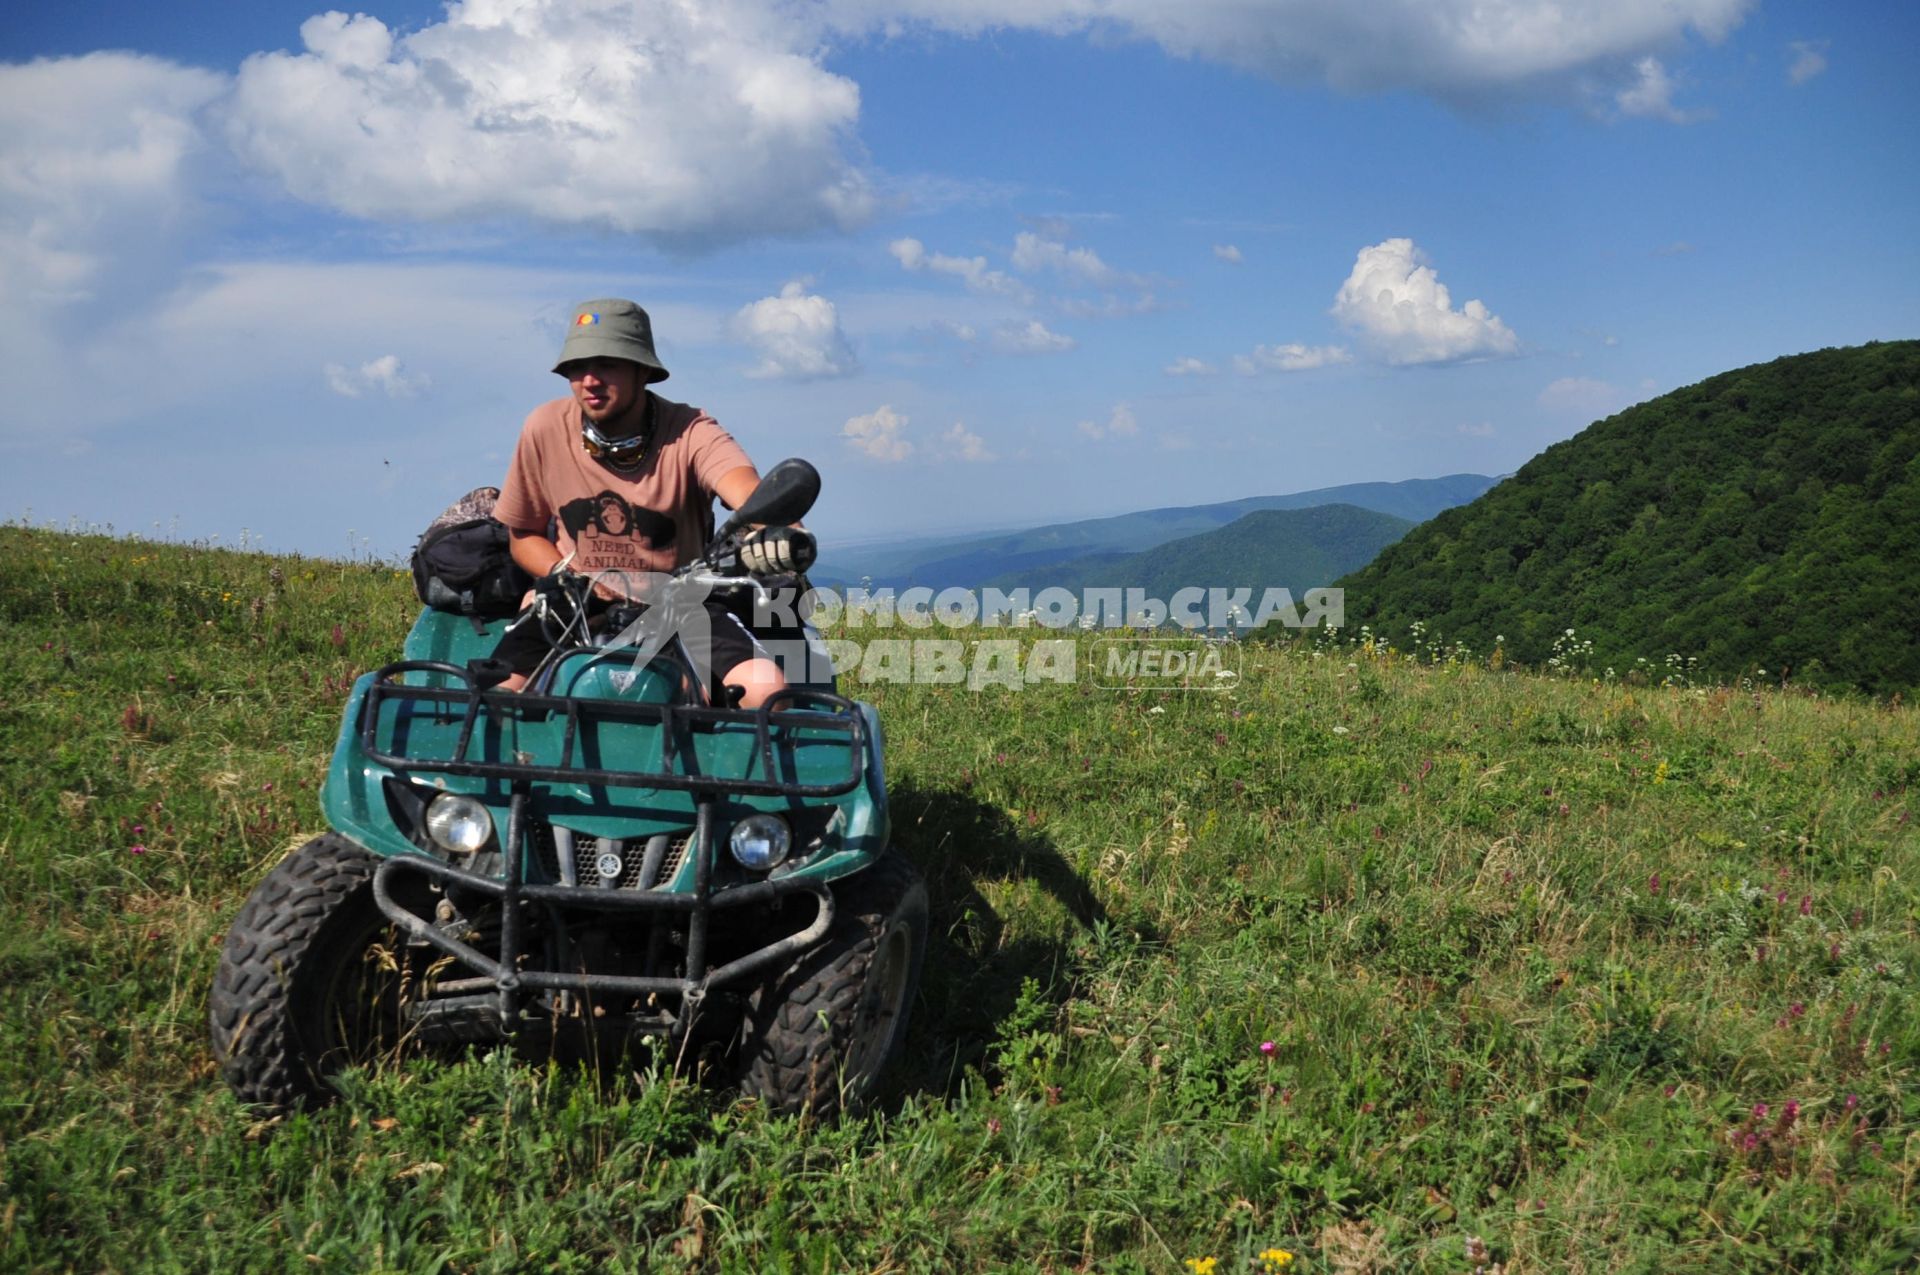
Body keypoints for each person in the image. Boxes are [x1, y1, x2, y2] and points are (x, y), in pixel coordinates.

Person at [489, 298, 813, 706]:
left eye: (607, 363)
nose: (589, 379)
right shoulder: (544, 428)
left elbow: (746, 491)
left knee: (765, 690)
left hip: (682, 599)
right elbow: (524, 536)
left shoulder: (690, 432)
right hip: (576, 598)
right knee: (493, 700)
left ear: (643, 370)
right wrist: (565, 575)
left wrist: (780, 533)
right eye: (577, 367)